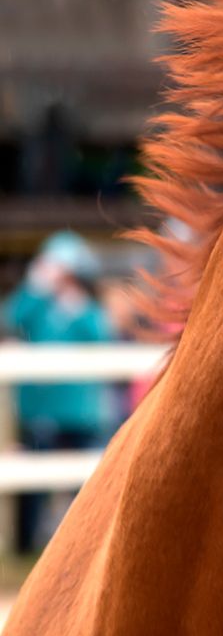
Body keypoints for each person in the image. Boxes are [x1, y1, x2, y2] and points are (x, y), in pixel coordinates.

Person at [2, 231, 115, 551]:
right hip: (40, 408)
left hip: (81, 411)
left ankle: (87, 540)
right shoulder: (36, 305)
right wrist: (34, 288)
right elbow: (10, 317)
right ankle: (26, 544)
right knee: (33, 484)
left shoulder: (87, 308)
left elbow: (103, 337)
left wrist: (79, 310)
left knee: (84, 484)